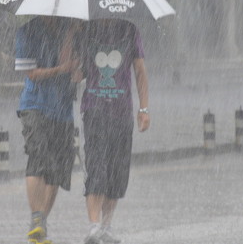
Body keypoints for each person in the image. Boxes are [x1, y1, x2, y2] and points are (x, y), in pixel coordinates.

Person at [76, 19, 150, 244]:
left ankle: (106, 226)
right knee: (96, 167)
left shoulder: (130, 29)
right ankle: (93, 226)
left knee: (116, 172)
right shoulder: (86, 29)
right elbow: (76, 74)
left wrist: (144, 108)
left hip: (121, 112)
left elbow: (139, 70)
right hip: (95, 111)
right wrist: (72, 35)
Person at [14, 16, 80, 244]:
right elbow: (32, 74)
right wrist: (60, 69)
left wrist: (70, 33)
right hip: (35, 104)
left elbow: (72, 68)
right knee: (38, 156)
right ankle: (36, 219)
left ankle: (41, 223)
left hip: (62, 108)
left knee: (58, 169)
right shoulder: (26, 32)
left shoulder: (70, 29)